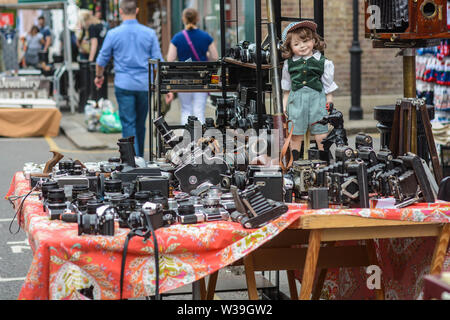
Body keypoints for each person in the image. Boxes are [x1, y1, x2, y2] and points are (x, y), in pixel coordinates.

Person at [94, 0, 163, 158]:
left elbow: (101, 60)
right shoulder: (149, 33)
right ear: (137, 11)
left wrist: (99, 76)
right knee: (140, 124)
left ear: (120, 11)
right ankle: (140, 159)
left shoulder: (113, 34)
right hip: (144, 85)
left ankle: (132, 162)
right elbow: (158, 61)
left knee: (128, 124)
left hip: (124, 84)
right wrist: (159, 84)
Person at [280, 21, 338, 161]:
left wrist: (329, 100)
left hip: (317, 100)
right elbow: (287, 88)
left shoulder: (323, 62)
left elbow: (328, 85)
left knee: (320, 131)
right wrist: (284, 105)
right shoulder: (289, 64)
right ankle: (294, 162)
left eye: (305, 41)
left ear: (313, 40)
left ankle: (324, 161)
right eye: (296, 44)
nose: (302, 46)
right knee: (295, 133)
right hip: (296, 101)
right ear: (290, 47)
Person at [165, 7, 219, 124]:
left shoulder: (177, 38)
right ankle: (200, 140)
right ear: (197, 19)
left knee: (186, 109)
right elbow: (215, 57)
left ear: (183, 19)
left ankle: (188, 138)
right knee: (199, 110)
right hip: (201, 78)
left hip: (183, 79)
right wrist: (206, 54)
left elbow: (170, 58)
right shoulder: (206, 37)